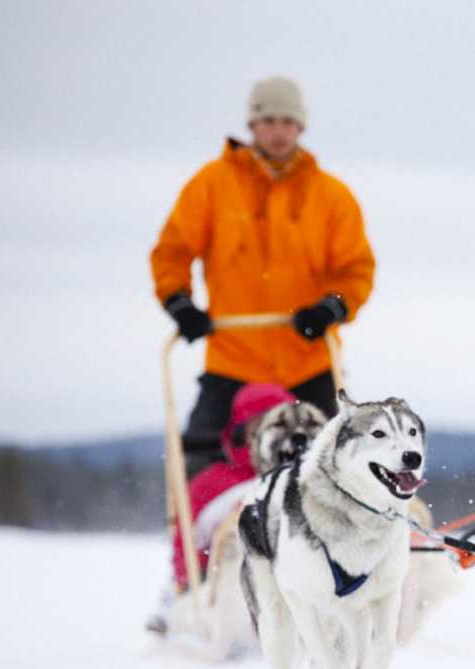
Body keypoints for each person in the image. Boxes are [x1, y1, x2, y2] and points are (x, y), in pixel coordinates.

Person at [150, 76, 375, 477]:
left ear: (300, 127)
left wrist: (332, 307)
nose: (278, 131)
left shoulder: (331, 197)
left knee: (343, 463)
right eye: (268, 120)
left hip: (308, 360)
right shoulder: (211, 186)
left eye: (287, 121)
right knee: (199, 462)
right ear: (252, 125)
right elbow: (172, 251)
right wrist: (179, 303)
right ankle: (201, 534)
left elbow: (356, 269)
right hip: (232, 359)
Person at [149, 383, 297, 635]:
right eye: (258, 424)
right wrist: (186, 582)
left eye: (277, 426)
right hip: (229, 578)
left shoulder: (305, 475)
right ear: (242, 430)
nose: (268, 435)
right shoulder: (211, 483)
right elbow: (187, 542)